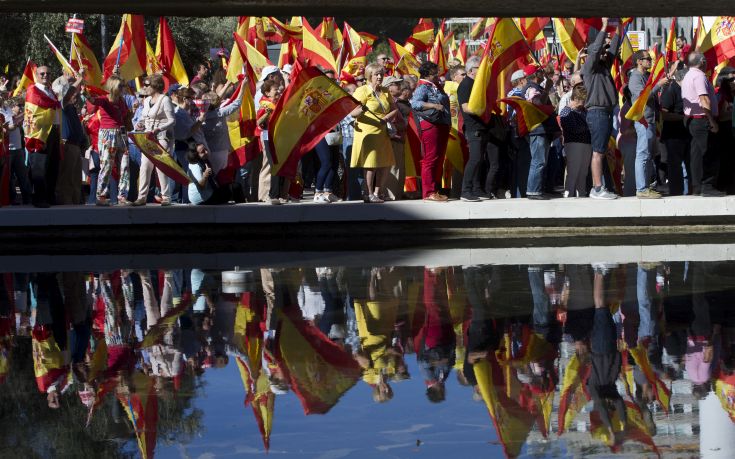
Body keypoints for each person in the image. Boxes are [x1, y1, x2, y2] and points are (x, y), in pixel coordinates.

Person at [582, 17, 620, 200]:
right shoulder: (589, 67)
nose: (605, 53)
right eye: (601, 51)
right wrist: (604, 26)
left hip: (605, 112)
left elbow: (613, 47)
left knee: (602, 150)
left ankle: (601, 186)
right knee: (597, 151)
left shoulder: (604, 67)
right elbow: (596, 49)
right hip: (596, 111)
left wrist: (619, 27)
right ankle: (597, 189)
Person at [350, 63, 398, 203]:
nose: (379, 77)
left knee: (385, 163)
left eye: (381, 74)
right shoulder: (362, 91)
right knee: (371, 164)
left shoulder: (385, 91)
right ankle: (368, 193)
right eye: (376, 74)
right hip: (368, 132)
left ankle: (379, 192)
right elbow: (353, 113)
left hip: (382, 131)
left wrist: (387, 118)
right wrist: (362, 110)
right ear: (369, 76)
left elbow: (394, 108)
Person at [457, 56, 499, 201]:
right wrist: (482, 110)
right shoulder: (465, 85)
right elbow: (466, 107)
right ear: (471, 70)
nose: (481, 72)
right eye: (478, 69)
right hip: (473, 127)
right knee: (474, 159)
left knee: (480, 160)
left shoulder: (475, 85)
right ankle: (465, 191)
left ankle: (476, 189)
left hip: (482, 127)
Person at [629, 50, 669, 199]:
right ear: (639, 61)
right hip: (643, 120)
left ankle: (645, 187)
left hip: (650, 120)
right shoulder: (635, 77)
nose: (650, 61)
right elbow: (642, 97)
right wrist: (658, 84)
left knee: (647, 155)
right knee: (642, 154)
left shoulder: (644, 76)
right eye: (647, 59)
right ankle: (641, 189)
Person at [411, 61, 451, 202]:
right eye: (435, 72)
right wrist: (434, 105)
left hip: (441, 124)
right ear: (427, 74)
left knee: (438, 158)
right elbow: (415, 103)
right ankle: (428, 192)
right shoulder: (423, 87)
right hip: (431, 125)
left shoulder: (435, 86)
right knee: (430, 159)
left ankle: (435, 190)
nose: (438, 74)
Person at [88, 75, 131, 206]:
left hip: (121, 133)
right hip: (108, 134)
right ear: (113, 87)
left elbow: (125, 116)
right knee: (106, 165)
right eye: (120, 86)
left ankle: (122, 195)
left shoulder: (121, 101)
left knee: (125, 164)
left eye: (123, 86)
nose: (123, 88)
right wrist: (84, 91)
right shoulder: (104, 99)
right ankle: (100, 196)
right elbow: (93, 101)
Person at [133, 74, 175, 206]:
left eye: (147, 85)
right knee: (145, 166)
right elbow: (144, 118)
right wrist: (140, 124)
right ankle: (142, 197)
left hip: (162, 137)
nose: (144, 87)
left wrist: (159, 129)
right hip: (148, 137)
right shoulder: (146, 101)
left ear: (155, 86)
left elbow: (172, 120)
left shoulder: (165, 100)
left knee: (160, 167)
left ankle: (166, 197)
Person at [24, 65, 62, 207]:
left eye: (48, 73)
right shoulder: (33, 90)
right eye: (42, 73)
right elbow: (34, 114)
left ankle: (49, 197)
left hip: (53, 131)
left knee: (53, 165)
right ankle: (39, 199)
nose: (45, 76)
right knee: (39, 167)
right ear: (36, 75)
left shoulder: (51, 91)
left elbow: (56, 106)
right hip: (39, 133)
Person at [682, 52, 719, 196]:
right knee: (708, 153)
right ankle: (707, 185)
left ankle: (697, 186)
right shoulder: (698, 76)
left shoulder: (688, 75)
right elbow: (704, 99)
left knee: (696, 155)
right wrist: (711, 120)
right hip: (701, 119)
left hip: (693, 120)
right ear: (702, 61)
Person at [523, 63, 556, 200]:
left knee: (541, 161)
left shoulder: (537, 87)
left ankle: (538, 189)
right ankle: (533, 191)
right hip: (538, 129)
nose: (543, 74)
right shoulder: (531, 88)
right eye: (540, 72)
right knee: (538, 161)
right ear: (536, 75)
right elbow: (537, 104)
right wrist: (547, 89)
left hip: (542, 128)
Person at [255, 78, 288, 205]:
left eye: (279, 90)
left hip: (279, 137)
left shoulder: (278, 103)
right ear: (267, 93)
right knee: (273, 165)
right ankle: (271, 195)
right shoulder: (265, 105)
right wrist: (267, 114)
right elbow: (258, 122)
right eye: (276, 90)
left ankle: (279, 194)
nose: (278, 92)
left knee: (279, 164)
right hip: (268, 137)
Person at [52, 76, 84, 205]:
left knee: (76, 178)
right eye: (68, 86)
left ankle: (75, 203)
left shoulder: (71, 105)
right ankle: (66, 204)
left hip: (75, 146)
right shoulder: (61, 103)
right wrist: (80, 79)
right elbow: (69, 93)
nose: (73, 90)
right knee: (67, 178)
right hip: (68, 145)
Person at [172, 86, 207, 204]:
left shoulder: (184, 113)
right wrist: (200, 121)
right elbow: (186, 134)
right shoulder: (179, 113)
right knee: (188, 175)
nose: (193, 101)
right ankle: (186, 200)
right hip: (183, 147)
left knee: (188, 174)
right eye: (191, 98)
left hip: (186, 146)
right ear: (185, 99)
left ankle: (185, 199)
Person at [660, 69, 690, 196]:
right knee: (675, 165)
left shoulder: (687, 90)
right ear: (681, 79)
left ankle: (690, 191)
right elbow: (664, 114)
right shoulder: (670, 91)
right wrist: (683, 117)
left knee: (689, 163)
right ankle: (676, 192)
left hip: (686, 134)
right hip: (673, 135)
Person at [559, 85, 592, 197]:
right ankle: (568, 196)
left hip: (586, 144)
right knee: (573, 172)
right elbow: (574, 129)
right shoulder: (566, 111)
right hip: (573, 144)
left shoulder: (584, 111)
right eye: (584, 100)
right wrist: (588, 127)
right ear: (577, 98)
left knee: (583, 173)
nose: (585, 102)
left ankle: (581, 196)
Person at [1, 96, 31, 204]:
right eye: (20, 106)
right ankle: (11, 199)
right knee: (9, 178)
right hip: (8, 149)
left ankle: (27, 199)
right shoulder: (1, 112)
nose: (21, 108)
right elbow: (9, 127)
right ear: (14, 106)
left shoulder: (7, 110)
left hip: (18, 148)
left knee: (23, 176)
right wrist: (23, 115)